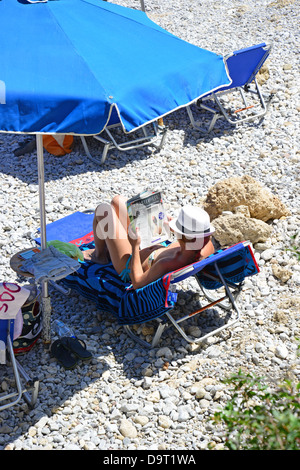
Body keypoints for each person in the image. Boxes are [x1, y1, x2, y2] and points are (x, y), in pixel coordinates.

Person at [84, 195, 215, 289]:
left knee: (103, 211)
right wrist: (172, 228)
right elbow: (191, 240)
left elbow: (138, 283)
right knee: (118, 201)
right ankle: (112, 245)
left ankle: (100, 255)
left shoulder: (166, 264)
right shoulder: (205, 247)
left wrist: (135, 246)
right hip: (151, 246)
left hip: (128, 264)